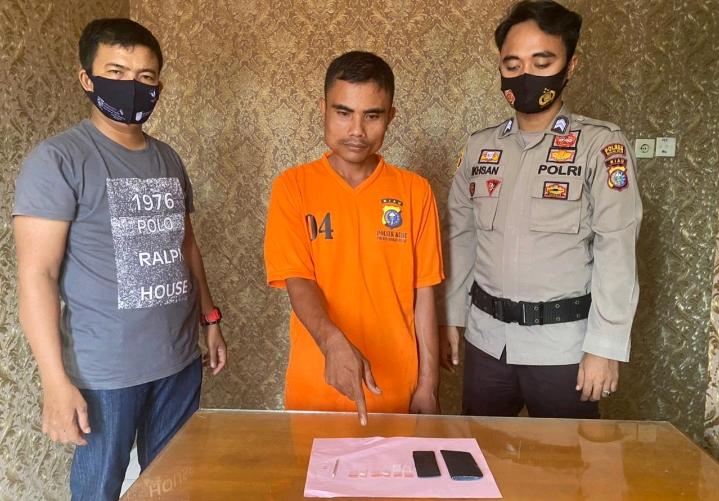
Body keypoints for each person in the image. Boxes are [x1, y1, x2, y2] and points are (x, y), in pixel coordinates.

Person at [13, 18, 226, 500]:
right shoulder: (58, 160)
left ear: (159, 86)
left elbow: (186, 245)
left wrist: (211, 318)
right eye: (117, 72)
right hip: (104, 374)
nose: (133, 86)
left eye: (145, 77)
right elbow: (37, 275)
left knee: (175, 487)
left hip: (178, 361)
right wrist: (54, 382)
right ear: (86, 78)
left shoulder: (168, 158)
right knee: (98, 491)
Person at [440, 0, 642, 418]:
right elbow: (461, 238)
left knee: (565, 458)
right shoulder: (480, 147)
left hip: (564, 349)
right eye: (512, 64)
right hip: (487, 343)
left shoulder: (600, 145)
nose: (525, 75)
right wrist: (451, 317)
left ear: (570, 66)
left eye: (542, 62)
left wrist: (604, 347)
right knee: (481, 452)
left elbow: (616, 249)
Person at [264, 51, 444, 425]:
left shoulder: (415, 191)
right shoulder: (293, 186)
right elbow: (298, 281)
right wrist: (332, 342)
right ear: (324, 110)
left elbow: (424, 293)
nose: (357, 130)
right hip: (315, 392)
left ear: (390, 116)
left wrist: (428, 384)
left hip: (396, 394)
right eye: (344, 113)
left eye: (372, 115)